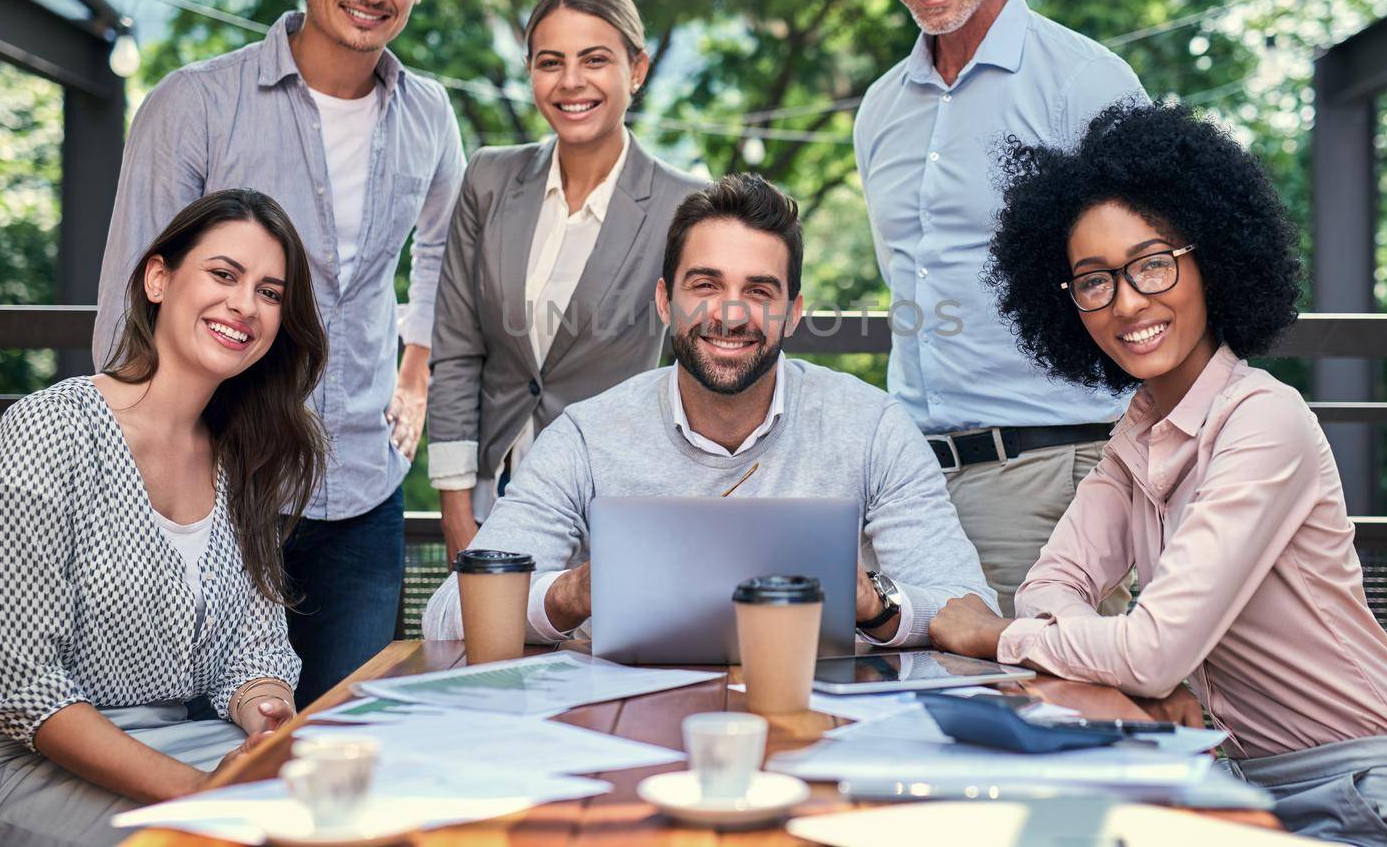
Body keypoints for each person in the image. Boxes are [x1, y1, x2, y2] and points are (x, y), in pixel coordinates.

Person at [930, 101, 1387, 846]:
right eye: (1094, 281)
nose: (1128, 303)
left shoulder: (1264, 419)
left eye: (1153, 264)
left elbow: (1149, 648)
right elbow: (1051, 585)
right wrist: (1136, 672)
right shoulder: (1137, 433)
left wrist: (994, 636)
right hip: (1238, 785)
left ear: (1211, 261)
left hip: (1375, 795)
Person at [92, 0, 464, 704]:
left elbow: (446, 247)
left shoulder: (429, 114)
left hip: (363, 492)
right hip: (216, 490)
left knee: (336, 744)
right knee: (201, 745)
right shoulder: (196, 105)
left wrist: (417, 364)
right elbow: (128, 304)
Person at [423, 174, 997, 643]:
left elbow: (968, 605)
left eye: (759, 291)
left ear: (793, 313)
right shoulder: (587, 434)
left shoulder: (873, 427)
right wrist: (572, 593)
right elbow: (448, 613)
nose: (730, 313)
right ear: (664, 300)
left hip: (821, 715)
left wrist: (874, 601)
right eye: (705, 284)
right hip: (627, 728)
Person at [0, 190, 327, 845]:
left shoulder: (244, 456)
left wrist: (266, 721)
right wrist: (205, 794)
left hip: (187, 742)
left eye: (269, 292)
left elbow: (255, 648)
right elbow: (23, 686)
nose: (244, 305)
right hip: (16, 764)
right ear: (158, 278)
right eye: (224, 274)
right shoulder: (48, 430)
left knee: (354, 812)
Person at [853, 0, 1147, 613]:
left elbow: (1160, 291)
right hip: (910, 487)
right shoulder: (879, 111)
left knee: (1051, 723)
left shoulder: (1084, 86)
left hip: (1054, 482)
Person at [426, 0, 704, 561]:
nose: (571, 81)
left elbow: (706, 370)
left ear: (637, 70)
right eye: (550, 62)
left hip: (614, 505)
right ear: (531, 73)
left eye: (595, 60)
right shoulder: (488, 179)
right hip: (491, 500)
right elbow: (456, 346)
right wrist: (456, 512)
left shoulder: (685, 205)